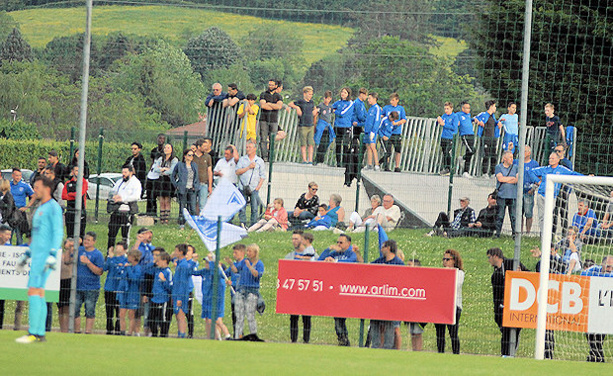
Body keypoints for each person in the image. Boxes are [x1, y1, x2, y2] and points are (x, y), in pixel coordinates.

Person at [14, 176, 63, 344]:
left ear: (46, 189)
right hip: (37, 256)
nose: (35, 190)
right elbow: (37, 236)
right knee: (39, 292)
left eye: (37, 187)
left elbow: (58, 232)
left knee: (33, 291)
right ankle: (39, 333)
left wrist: (52, 254)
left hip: (44, 257)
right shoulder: (41, 207)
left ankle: (34, 333)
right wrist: (27, 254)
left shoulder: (53, 208)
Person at [486, 247, 528, 357]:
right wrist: (497, 314)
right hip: (502, 310)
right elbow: (496, 297)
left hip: (516, 307)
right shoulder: (495, 275)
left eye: (489, 257)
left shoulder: (512, 264)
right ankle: (505, 355)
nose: (488, 260)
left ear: (496, 256)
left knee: (513, 332)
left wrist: (521, 274)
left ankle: (510, 354)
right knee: (505, 334)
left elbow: (529, 276)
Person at [318, 234, 358, 346]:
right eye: (337, 242)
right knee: (337, 318)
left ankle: (344, 339)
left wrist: (335, 262)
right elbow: (319, 260)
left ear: (348, 243)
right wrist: (328, 249)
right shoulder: (335, 253)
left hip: (346, 289)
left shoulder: (350, 253)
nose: (338, 245)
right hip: (334, 289)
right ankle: (342, 339)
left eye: (341, 242)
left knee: (341, 317)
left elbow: (352, 261)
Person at [529, 151, 582, 233]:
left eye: (552, 158)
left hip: (552, 197)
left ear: (557, 160)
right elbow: (531, 172)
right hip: (541, 195)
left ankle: (549, 236)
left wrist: (586, 177)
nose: (550, 160)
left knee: (549, 216)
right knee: (541, 217)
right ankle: (543, 236)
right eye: (550, 158)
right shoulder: (545, 169)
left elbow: (573, 174)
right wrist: (538, 182)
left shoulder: (561, 169)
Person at [370, 240, 404, 349]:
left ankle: (389, 349)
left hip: (391, 301)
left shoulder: (399, 263)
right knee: (375, 324)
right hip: (378, 301)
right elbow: (367, 269)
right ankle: (375, 347)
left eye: (383, 247)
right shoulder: (380, 261)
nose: (381, 249)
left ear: (388, 248)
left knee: (390, 326)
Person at [581, 255, 613, 362]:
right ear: (602, 264)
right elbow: (582, 275)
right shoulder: (592, 270)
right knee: (590, 337)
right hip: (590, 311)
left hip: (604, 313)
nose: (610, 269)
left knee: (598, 339)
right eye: (608, 266)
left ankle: (598, 358)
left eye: (611, 267)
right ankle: (594, 358)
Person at [285, 231, 315, 343]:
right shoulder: (289, 256)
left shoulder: (311, 254)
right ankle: (293, 340)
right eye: (292, 239)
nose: (294, 241)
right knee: (293, 316)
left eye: (296, 239)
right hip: (294, 291)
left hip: (307, 290)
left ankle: (306, 340)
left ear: (303, 240)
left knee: (306, 317)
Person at [229, 243, 264, 340]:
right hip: (241, 290)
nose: (247, 253)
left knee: (250, 315)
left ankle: (253, 335)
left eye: (250, 251)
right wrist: (231, 263)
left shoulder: (259, 264)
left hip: (252, 291)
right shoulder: (244, 262)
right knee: (239, 315)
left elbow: (257, 275)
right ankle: (237, 336)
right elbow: (236, 270)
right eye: (247, 251)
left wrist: (250, 267)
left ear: (255, 253)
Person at [193, 252, 231, 340]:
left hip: (216, 301)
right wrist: (193, 262)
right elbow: (193, 272)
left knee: (216, 320)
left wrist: (214, 263)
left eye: (208, 262)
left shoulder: (217, 274)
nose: (206, 264)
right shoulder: (204, 271)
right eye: (206, 262)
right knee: (208, 320)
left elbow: (221, 276)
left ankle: (225, 336)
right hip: (207, 300)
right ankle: (211, 337)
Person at [74, 231, 104, 334]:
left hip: (91, 287)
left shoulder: (98, 254)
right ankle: (76, 331)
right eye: (85, 239)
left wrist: (88, 263)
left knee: (90, 310)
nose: (86, 241)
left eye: (89, 240)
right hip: (77, 286)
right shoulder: (79, 250)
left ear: (94, 242)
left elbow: (99, 272)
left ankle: (88, 332)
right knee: (75, 309)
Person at [435, 249, 464, 354]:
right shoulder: (439, 273)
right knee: (439, 333)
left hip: (454, 306)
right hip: (441, 305)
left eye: (448, 259)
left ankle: (456, 354)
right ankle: (440, 353)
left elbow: (455, 285)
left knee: (453, 332)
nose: (445, 262)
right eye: (444, 259)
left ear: (454, 261)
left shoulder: (459, 273)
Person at [107, 165, 142, 250]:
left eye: (125, 172)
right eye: (122, 172)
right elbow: (113, 191)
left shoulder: (136, 183)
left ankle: (124, 253)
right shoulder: (119, 182)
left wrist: (122, 198)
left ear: (131, 172)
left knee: (125, 234)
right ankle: (109, 252)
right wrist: (114, 196)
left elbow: (137, 196)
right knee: (111, 233)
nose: (123, 174)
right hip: (116, 210)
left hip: (127, 211)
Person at [236, 140, 266, 227]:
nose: (248, 149)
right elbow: (237, 171)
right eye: (247, 147)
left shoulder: (259, 161)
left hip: (254, 187)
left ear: (254, 149)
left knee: (254, 208)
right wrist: (248, 167)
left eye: (250, 147)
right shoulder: (242, 160)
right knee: (242, 207)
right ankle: (242, 223)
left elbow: (262, 175)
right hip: (243, 186)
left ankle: (253, 225)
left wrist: (258, 187)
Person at [172, 244, 197, 338]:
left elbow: (182, 283)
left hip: (181, 294)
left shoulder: (183, 265)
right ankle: (180, 334)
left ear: (181, 252)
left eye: (176, 251)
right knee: (178, 316)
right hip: (176, 293)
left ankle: (182, 335)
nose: (174, 252)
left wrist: (179, 298)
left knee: (181, 316)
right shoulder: (180, 263)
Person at [103, 241, 128, 335]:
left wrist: (112, 259)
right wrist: (109, 258)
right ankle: (109, 328)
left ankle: (118, 329)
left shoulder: (126, 260)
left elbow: (120, 271)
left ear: (125, 250)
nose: (117, 248)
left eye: (120, 247)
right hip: (109, 288)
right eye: (117, 246)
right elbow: (105, 267)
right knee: (109, 310)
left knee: (119, 311)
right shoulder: (111, 258)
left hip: (120, 289)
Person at [288, 86, 317, 164]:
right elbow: (290, 104)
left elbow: (314, 109)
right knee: (303, 143)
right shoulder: (300, 101)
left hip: (310, 125)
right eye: (309, 94)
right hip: (303, 125)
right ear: (305, 94)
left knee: (311, 143)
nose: (310, 96)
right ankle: (304, 159)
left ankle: (310, 160)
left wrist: (315, 111)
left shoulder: (312, 102)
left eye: (311, 94)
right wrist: (297, 107)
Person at [514, 145, 540, 234]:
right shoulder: (516, 162)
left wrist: (533, 189)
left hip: (529, 192)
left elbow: (539, 178)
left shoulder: (534, 164)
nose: (522, 153)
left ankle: (528, 232)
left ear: (529, 153)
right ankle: (519, 232)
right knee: (518, 213)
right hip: (517, 192)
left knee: (528, 213)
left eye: (524, 151)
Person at [117, 249, 143, 336]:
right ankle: (122, 331)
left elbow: (134, 279)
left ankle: (130, 332)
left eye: (129, 256)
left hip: (133, 293)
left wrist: (127, 268)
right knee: (121, 313)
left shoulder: (138, 268)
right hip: (125, 293)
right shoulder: (128, 266)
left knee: (131, 314)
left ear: (133, 258)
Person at [172, 149, 200, 227]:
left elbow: (197, 176)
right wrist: (176, 185)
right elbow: (173, 175)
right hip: (182, 189)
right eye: (189, 155)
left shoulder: (194, 165)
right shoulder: (180, 164)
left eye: (192, 155)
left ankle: (193, 225)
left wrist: (196, 186)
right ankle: (181, 224)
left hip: (192, 189)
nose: (191, 157)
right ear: (185, 156)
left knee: (193, 208)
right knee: (182, 208)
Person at [152, 144, 178, 224]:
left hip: (168, 180)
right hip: (160, 180)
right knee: (161, 200)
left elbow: (172, 171)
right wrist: (163, 169)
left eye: (168, 148)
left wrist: (163, 170)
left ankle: (166, 218)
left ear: (171, 149)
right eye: (165, 148)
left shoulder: (174, 159)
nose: (166, 149)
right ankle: (162, 217)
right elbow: (155, 169)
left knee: (167, 200)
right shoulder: (161, 158)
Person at [224, 244, 246, 337]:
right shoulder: (234, 265)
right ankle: (235, 335)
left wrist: (232, 283)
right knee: (234, 316)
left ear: (242, 253)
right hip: (233, 295)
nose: (234, 255)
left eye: (236, 253)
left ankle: (240, 335)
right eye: (233, 252)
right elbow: (225, 274)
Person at [149, 249, 173, 338]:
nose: (157, 262)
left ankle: (163, 335)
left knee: (162, 319)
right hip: (154, 299)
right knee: (151, 319)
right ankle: (154, 334)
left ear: (165, 261)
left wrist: (164, 280)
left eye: (159, 260)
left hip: (163, 300)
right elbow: (147, 269)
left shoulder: (168, 272)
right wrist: (154, 262)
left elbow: (170, 287)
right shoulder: (156, 270)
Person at [494, 151, 518, 237]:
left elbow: (516, 180)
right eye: (510, 157)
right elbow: (500, 179)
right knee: (500, 215)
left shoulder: (515, 167)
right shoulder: (498, 167)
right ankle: (497, 233)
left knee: (514, 217)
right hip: (501, 195)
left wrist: (506, 179)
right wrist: (511, 178)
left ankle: (515, 234)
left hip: (513, 196)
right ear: (504, 158)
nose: (512, 159)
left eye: (512, 157)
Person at [259, 80, 284, 161]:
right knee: (263, 138)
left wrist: (269, 104)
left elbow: (279, 106)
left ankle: (271, 157)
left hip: (274, 120)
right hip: (264, 119)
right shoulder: (263, 94)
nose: (270, 86)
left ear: (276, 86)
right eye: (269, 84)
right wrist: (274, 105)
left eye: (272, 85)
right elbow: (263, 105)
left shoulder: (279, 96)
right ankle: (264, 157)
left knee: (272, 139)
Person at [381, 93, 407, 172]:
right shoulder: (386, 108)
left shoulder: (400, 109)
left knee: (397, 149)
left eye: (393, 100)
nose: (391, 102)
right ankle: (386, 165)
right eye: (390, 100)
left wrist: (397, 123)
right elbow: (382, 116)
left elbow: (404, 119)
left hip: (396, 131)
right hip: (387, 132)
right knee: (388, 149)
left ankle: (397, 166)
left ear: (397, 100)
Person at [474, 100, 500, 178]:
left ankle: (493, 173)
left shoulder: (493, 116)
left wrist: (498, 123)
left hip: (493, 138)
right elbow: (474, 118)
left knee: (493, 155)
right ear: (491, 106)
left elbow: (495, 123)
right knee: (486, 155)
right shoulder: (483, 114)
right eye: (494, 106)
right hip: (485, 137)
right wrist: (478, 122)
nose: (495, 108)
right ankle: (484, 172)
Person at [62, 165, 88, 240]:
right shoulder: (68, 183)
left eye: (80, 171)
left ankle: (79, 250)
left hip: (81, 211)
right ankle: (70, 250)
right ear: (73, 172)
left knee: (80, 234)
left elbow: (80, 194)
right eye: (76, 170)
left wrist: (70, 194)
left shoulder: (84, 182)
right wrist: (74, 195)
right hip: (70, 211)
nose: (78, 173)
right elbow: (64, 196)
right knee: (70, 234)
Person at [331, 88, 354, 168]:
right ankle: (338, 162)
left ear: (348, 94)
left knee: (345, 145)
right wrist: (333, 110)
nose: (343, 94)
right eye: (342, 92)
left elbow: (342, 113)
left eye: (345, 92)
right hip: (337, 126)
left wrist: (335, 112)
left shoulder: (350, 103)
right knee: (338, 144)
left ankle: (344, 163)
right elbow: (331, 108)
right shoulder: (338, 102)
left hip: (346, 126)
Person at [10, 168, 34, 245]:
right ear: (12, 175)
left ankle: (19, 249)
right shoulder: (8, 185)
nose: (18, 177)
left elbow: (34, 196)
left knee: (19, 234)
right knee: (8, 233)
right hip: (9, 212)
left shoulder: (25, 186)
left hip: (19, 212)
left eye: (20, 176)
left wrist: (27, 207)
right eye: (16, 175)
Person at [405, 259, 425, 351]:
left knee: (417, 332)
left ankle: (418, 350)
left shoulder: (421, 280)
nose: (408, 267)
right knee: (412, 332)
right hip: (409, 310)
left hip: (419, 311)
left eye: (410, 265)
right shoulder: (406, 279)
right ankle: (414, 350)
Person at [145, 133, 166, 216]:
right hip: (152, 174)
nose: (161, 140)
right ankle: (148, 212)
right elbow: (152, 162)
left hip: (159, 176)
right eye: (159, 138)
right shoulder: (154, 150)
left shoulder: (165, 151)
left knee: (155, 195)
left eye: (162, 139)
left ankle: (154, 213)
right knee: (149, 195)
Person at [57, 238, 75, 333]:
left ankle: (67, 329)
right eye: (68, 244)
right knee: (60, 308)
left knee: (67, 308)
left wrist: (70, 250)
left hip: (68, 281)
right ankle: (62, 328)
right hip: (59, 282)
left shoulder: (73, 255)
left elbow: (67, 261)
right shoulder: (58, 254)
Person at [314, 91, 335, 165]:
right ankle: (317, 159)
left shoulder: (330, 107)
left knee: (326, 144)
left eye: (328, 98)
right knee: (320, 144)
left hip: (327, 128)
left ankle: (322, 160)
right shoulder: (321, 106)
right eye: (326, 98)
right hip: (321, 127)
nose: (327, 100)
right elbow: (316, 114)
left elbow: (333, 111)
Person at [437, 102, 458, 176]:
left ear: (451, 109)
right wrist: (438, 120)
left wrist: (444, 125)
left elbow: (454, 127)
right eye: (445, 109)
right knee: (444, 152)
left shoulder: (454, 117)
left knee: (447, 152)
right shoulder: (444, 116)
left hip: (450, 137)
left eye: (447, 109)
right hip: (444, 137)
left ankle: (449, 168)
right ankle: (446, 168)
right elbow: (440, 122)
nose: (446, 110)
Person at [363, 92, 382, 170]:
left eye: (369, 98)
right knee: (368, 147)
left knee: (373, 146)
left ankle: (377, 164)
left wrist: (374, 131)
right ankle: (369, 164)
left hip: (372, 131)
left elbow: (377, 120)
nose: (368, 100)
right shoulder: (370, 108)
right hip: (367, 130)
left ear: (374, 99)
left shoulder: (377, 108)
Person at [193, 138, 213, 212]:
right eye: (204, 146)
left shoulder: (207, 157)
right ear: (198, 147)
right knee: (193, 204)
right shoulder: (192, 156)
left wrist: (210, 185)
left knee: (203, 205)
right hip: (193, 184)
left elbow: (209, 171)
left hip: (204, 184)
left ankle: (202, 221)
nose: (206, 148)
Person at [456, 101, 475, 178]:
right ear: (462, 108)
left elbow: (469, 121)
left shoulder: (468, 115)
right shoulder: (458, 114)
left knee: (469, 152)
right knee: (471, 150)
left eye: (469, 108)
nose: (468, 110)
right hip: (465, 135)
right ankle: (462, 159)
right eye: (467, 108)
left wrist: (474, 120)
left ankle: (466, 172)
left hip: (471, 134)